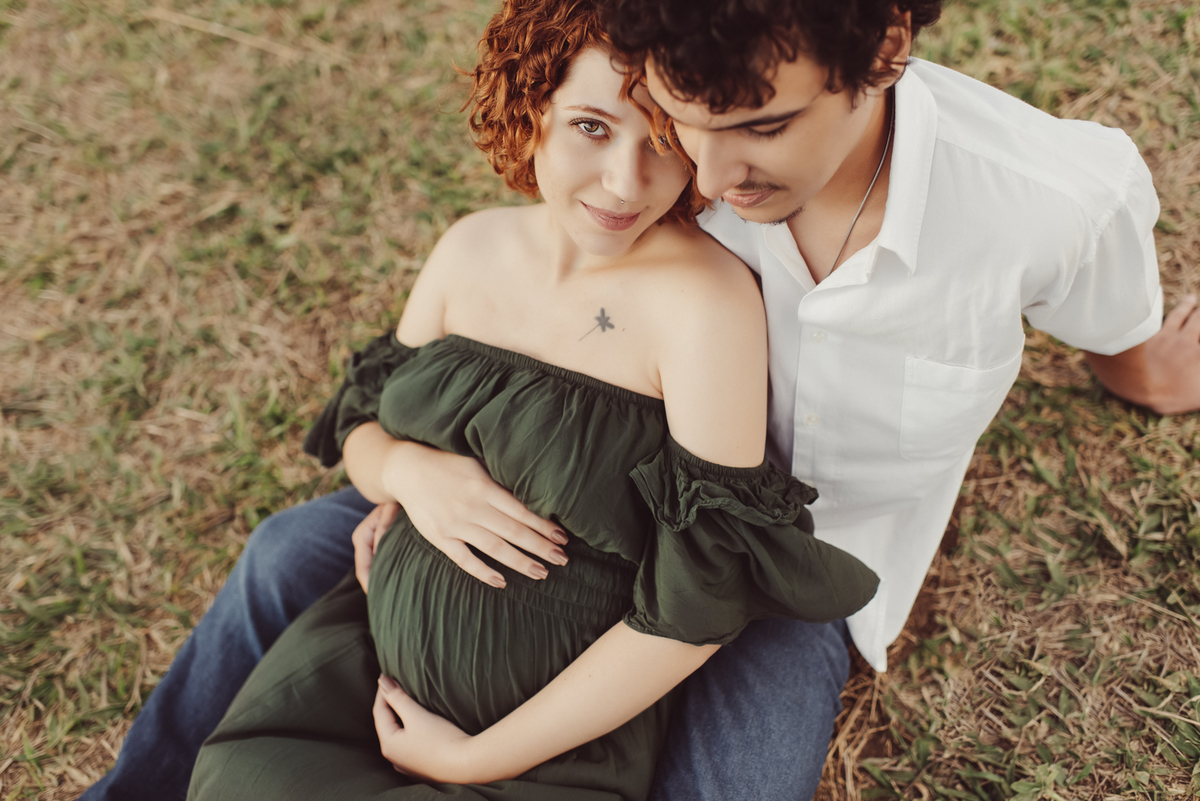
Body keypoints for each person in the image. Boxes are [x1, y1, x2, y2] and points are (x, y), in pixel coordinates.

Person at [80, 0, 1200, 799]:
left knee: (739, 778)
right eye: (679, 123)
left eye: (760, 128)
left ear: (887, 53)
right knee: (287, 552)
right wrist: (412, 473)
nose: (703, 182)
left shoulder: (1043, 201)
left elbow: (1113, 307)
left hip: (765, 582)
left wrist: (1137, 361)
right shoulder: (641, 161)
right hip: (555, 477)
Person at [179, 0, 877, 798]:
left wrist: (479, 759)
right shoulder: (470, 249)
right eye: (590, 126)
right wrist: (409, 472)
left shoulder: (704, 304)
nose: (625, 181)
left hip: (551, 750)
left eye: (661, 141)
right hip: (364, 680)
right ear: (530, 100)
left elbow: (703, 595)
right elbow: (359, 422)